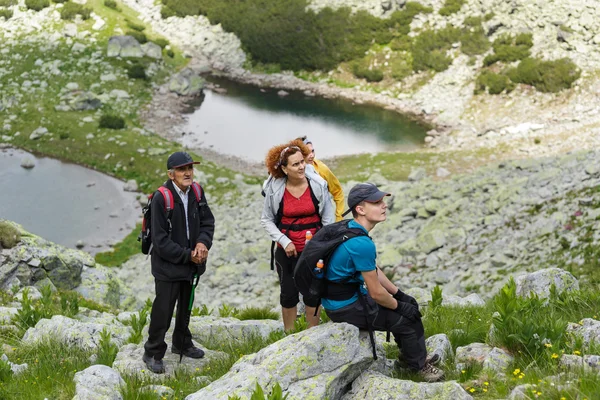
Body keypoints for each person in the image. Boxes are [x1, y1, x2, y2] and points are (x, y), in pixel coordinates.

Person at [321, 183, 444, 382]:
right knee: (407, 319)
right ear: (360, 209)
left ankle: (412, 356)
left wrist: (398, 294)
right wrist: (400, 306)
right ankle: (418, 366)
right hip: (345, 308)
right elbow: (376, 293)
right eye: (376, 202)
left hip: (339, 301)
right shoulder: (361, 243)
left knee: (407, 307)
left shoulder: (351, 229)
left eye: (382, 201)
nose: (384, 205)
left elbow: (372, 269)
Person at [143, 151, 215, 374]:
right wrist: (188, 255)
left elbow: (207, 222)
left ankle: (182, 343)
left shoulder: (196, 191)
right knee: (163, 310)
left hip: (191, 263)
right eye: (182, 169)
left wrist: (203, 243)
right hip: (168, 267)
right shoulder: (161, 198)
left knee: (186, 306)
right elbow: (160, 241)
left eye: (190, 168)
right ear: (171, 174)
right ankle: (152, 352)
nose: (188, 173)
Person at [261, 140, 335, 332]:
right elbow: (266, 220)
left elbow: (327, 219)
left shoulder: (318, 184)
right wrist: (285, 242)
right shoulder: (275, 189)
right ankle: (290, 336)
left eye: (302, 161)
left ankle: (312, 334)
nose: (302, 166)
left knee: (313, 292)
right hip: (287, 251)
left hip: (313, 249)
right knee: (288, 293)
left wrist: (323, 246)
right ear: (284, 169)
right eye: (295, 164)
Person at [298, 136, 345, 222]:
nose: (311, 155)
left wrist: (339, 217)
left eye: (312, 151)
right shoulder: (291, 171)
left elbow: (338, 191)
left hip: (322, 219)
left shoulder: (322, 169)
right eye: (307, 153)